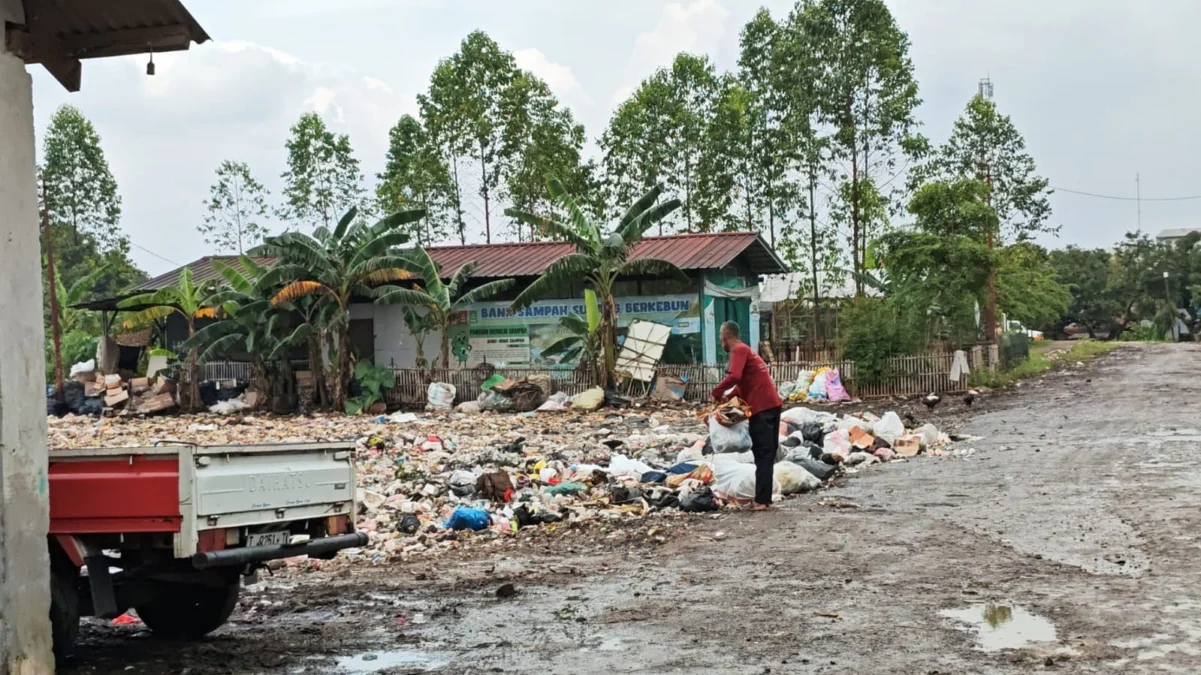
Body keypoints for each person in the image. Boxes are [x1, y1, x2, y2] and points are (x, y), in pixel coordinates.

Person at [711, 321, 782, 511]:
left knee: (762, 454)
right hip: (772, 405)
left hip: (762, 408)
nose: (721, 343)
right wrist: (727, 397)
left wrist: (716, 392)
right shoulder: (747, 351)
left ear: (725, 337)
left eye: (720, 339)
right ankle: (764, 499)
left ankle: (761, 501)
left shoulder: (738, 350)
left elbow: (734, 377)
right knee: (767, 453)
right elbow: (741, 386)